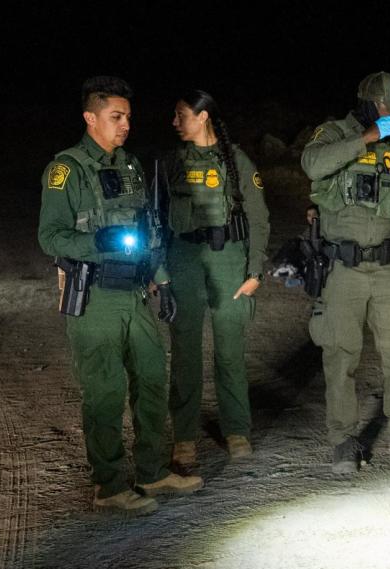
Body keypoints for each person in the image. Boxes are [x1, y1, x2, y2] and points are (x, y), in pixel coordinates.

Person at [38, 76, 203, 513]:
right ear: (90, 118)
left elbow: (147, 233)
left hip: (135, 293)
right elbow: (49, 237)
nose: (125, 124)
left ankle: (151, 471)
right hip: (94, 297)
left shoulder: (130, 166)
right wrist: (101, 244)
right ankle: (109, 484)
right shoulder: (66, 169)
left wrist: (162, 279)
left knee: (151, 380)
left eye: (128, 116)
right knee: (105, 390)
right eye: (116, 116)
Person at [301, 71, 390, 472]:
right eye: (386, 108)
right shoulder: (333, 132)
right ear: (368, 105)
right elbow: (312, 165)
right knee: (341, 354)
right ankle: (343, 440)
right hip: (343, 266)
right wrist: (367, 137)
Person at [160, 90, 271, 468]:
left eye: (181, 115)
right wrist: (157, 271)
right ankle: (184, 437)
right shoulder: (169, 162)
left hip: (229, 260)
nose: (175, 123)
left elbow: (258, 218)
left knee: (230, 353)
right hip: (184, 259)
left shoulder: (236, 161)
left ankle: (237, 429)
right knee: (185, 355)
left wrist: (255, 271)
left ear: (203, 116)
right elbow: (156, 219)